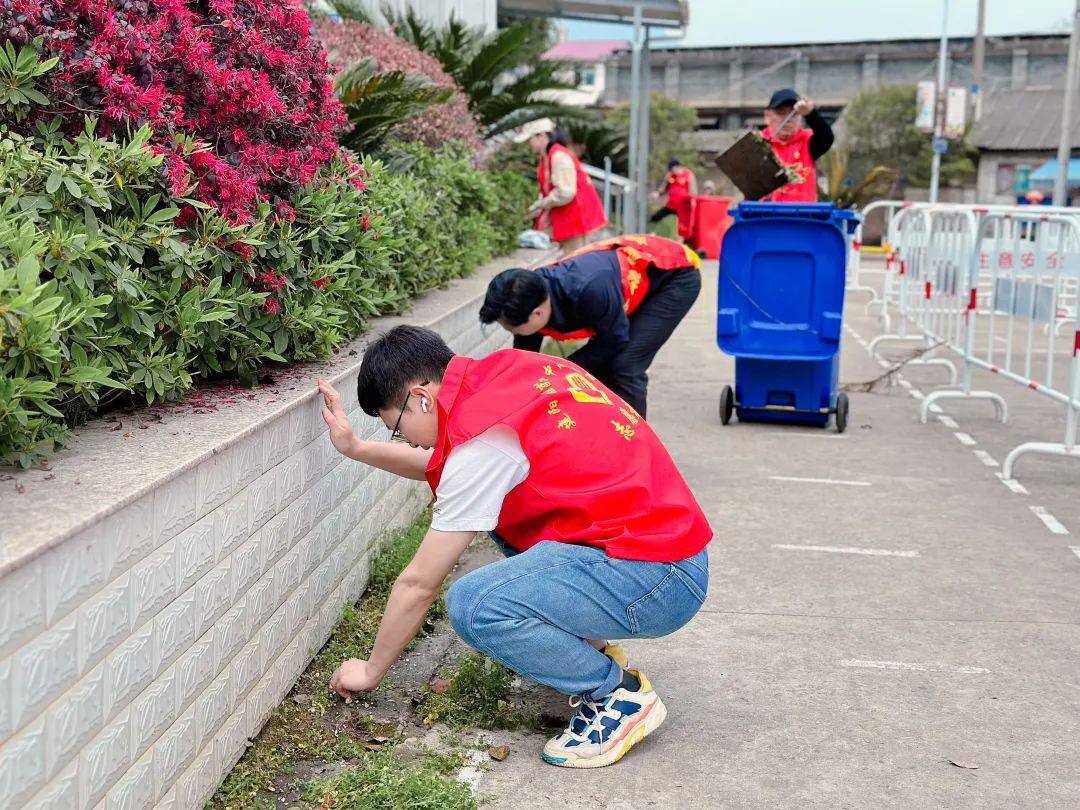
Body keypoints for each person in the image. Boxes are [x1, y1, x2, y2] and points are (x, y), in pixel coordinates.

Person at [319, 326, 711, 769]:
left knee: (474, 604)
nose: (407, 441)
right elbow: (447, 466)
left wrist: (371, 671)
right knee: (507, 523)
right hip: (660, 551)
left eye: (397, 427)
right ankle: (591, 650)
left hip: (659, 579)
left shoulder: (482, 441)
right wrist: (355, 448)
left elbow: (418, 585)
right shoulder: (507, 377)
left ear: (421, 398)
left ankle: (615, 696)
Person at [479, 234, 701, 419]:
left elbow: (614, 340)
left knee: (625, 365)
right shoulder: (530, 295)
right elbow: (526, 360)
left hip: (674, 277)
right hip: (620, 291)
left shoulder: (588, 290)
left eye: (513, 330)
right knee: (596, 366)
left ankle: (636, 450)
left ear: (537, 313)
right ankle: (604, 434)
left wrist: (564, 370)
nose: (513, 334)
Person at [515, 117, 608, 254]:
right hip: (570, 220)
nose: (529, 144)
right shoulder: (548, 156)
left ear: (541, 136)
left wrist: (543, 204)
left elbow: (565, 192)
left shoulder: (558, 156)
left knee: (575, 262)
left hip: (575, 219)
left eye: (530, 139)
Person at [761, 88, 834, 202]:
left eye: (793, 114)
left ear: (801, 118)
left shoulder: (807, 141)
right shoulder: (757, 144)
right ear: (767, 116)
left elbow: (826, 137)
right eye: (781, 113)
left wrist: (811, 114)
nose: (788, 119)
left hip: (801, 216)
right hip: (761, 215)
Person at [650, 159, 698, 224]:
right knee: (655, 217)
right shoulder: (670, 175)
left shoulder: (688, 174)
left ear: (677, 167)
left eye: (672, 169)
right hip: (671, 205)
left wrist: (693, 201)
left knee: (685, 224)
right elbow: (664, 187)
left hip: (682, 206)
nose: (671, 171)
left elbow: (693, 190)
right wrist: (658, 193)